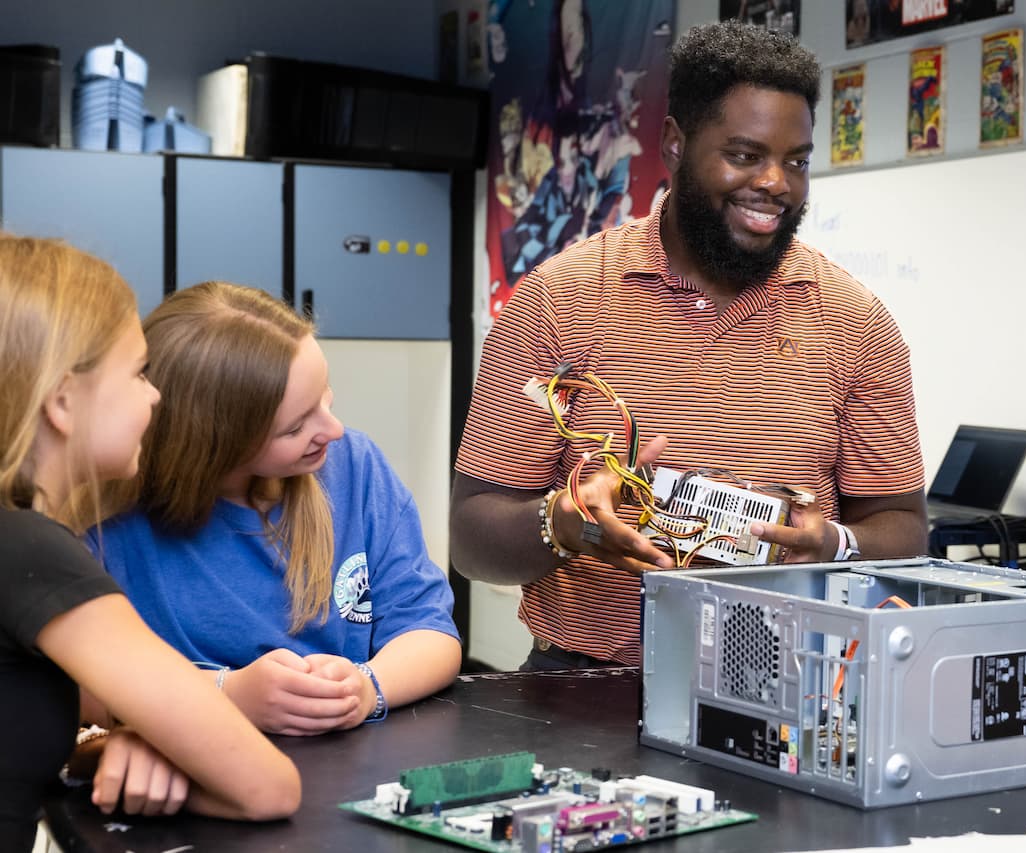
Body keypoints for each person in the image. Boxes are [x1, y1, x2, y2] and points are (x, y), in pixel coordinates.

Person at [451, 21, 927, 670]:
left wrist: (837, 544)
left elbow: (902, 526)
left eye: (796, 161)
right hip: (585, 689)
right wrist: (561, 524)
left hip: (790, 693)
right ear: (674, 144)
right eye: (744, 154)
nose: (776, 183)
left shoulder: (856, 322)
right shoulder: (558, 300)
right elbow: (472, 536)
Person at [0, 236, 300, 850]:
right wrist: (183, 774)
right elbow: (269, 787)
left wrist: (115, 746)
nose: (155, 395)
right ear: (61, 400)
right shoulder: (30, 551)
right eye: (137, 373)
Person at [94, 281, 461, 736]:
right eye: (294, 427)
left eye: (326, 399)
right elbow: (83, 687)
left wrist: (366, 686)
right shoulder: (111, 522)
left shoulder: (355, 469)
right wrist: (227, 694)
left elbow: (429, 631)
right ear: (212, 444)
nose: (334, 430)